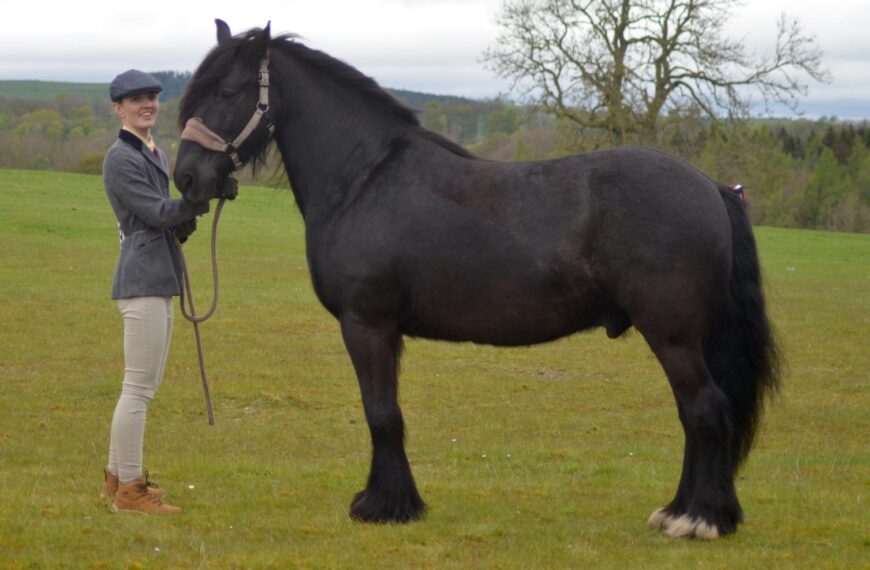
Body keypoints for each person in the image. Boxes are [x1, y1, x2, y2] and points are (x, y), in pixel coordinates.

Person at [101, 69, 208, 514]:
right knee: (139, 390)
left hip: (158, 276)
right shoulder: (120, 158)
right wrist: (199, 198)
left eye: (151, 97)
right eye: (136, 99)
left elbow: (172, 220)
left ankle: (114, 479)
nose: (147, 104)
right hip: (141, 279)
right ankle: (130, 491)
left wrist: (198, 206)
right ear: (118, 109)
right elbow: (154, 211)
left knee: (144, 385)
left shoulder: (154, 152)